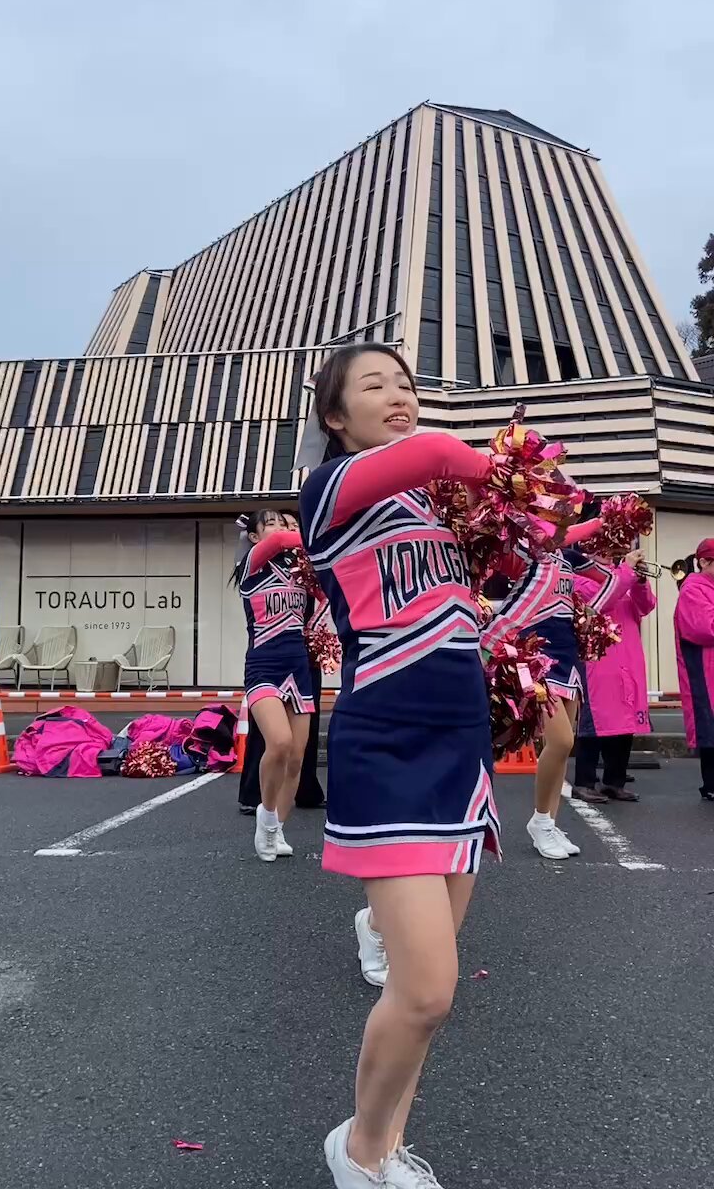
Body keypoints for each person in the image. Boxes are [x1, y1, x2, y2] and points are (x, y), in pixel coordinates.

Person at [298, 342, 502, 1189]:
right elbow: (433, 450)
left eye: (407, 383)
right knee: (425, 991)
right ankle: (358, 1147)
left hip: (460, 751)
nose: (400, 395)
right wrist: (507, 466)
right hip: (387, 746)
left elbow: (491, 606)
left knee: (426, 998)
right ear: (336, 419)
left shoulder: (435, 513)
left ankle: (385, 1150)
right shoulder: (332, 493)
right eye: (374, 386)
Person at [481, 530, 620, 860]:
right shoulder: (529, 550)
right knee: (560, 742)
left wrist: (586, 614)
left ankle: (548, 821)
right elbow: (490, 560)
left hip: (568, 656)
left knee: (563, 747)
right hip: (536, 655)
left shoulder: (568, 556)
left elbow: (610, 578)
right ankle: (540, 822)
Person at [234, 508, 315, 861]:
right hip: (263, 667)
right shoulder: (252, 565)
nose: (279, 529)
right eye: (269, 523)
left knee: (296, 760)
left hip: (299, 669)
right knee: (279, 742)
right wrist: (323, 535)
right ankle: (265, 818)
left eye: (282, 522)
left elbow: (329, 601)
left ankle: (276, 827)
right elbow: (283, 540)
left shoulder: (300, 573)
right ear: (253, 536)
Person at [573, 549, 654, 803]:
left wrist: (640, 581)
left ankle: (614, 781)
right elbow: (600, 602)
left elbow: (646, 606)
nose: (609, 553)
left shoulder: (623, 576)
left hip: (628, 654)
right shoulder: (579, 578)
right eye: (602, 547)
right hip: (599, 658)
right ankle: (585, 781)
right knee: (596, 719)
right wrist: (627, 573)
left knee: (625, 720)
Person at [674, 538, 714, 800]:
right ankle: (710, 784)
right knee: (709, 725)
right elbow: (703, 628)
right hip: (704, 667)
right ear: (702, 562)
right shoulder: (693, 588)